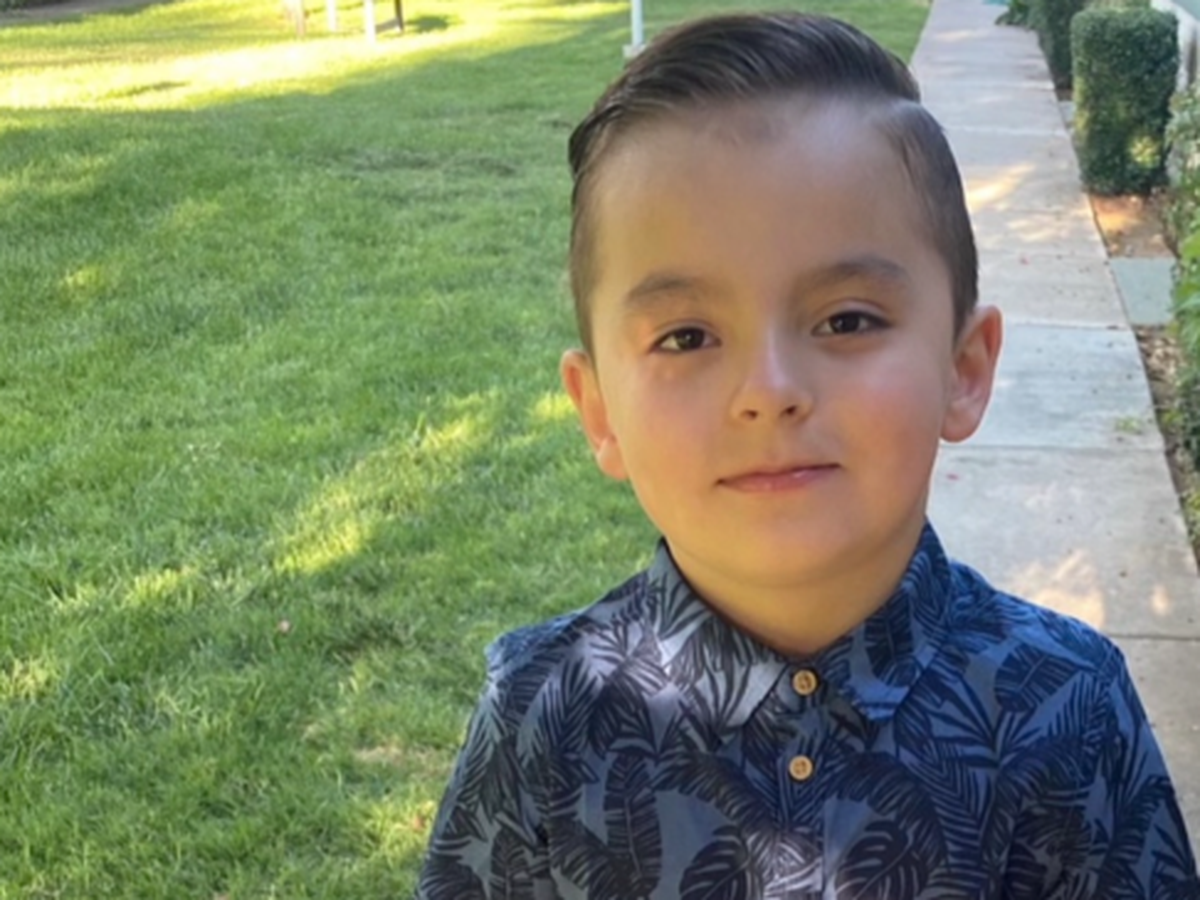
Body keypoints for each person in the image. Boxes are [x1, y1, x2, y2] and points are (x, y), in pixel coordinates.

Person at [415, 12, 1200, 898]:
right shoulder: (539, 717)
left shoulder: (1068, 707)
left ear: (963, 370)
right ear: (599, 412)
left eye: (847, 320)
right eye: (686, 336)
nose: (769, 389)